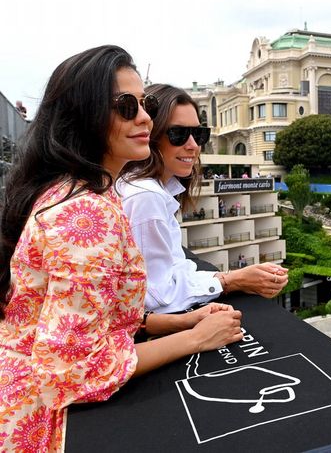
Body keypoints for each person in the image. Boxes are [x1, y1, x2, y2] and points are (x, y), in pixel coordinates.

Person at [0, 45, 245, 452]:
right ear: (84, 117)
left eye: (144, 104)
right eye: (125, 106)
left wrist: (175, 323)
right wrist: (198, 339)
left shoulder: (82, 191)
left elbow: (89, 318)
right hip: (40, 424)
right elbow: (73, 371)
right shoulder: (86, 215)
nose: (145, 117)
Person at [119, 84, 288, 314]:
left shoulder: (156, 190)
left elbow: (174, 268)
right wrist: (232, 281)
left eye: (199, 135)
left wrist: (227, 277)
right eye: (178, 134)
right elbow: (155, 297)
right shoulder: (146, 196)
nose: (193, 146)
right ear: (150, 135)